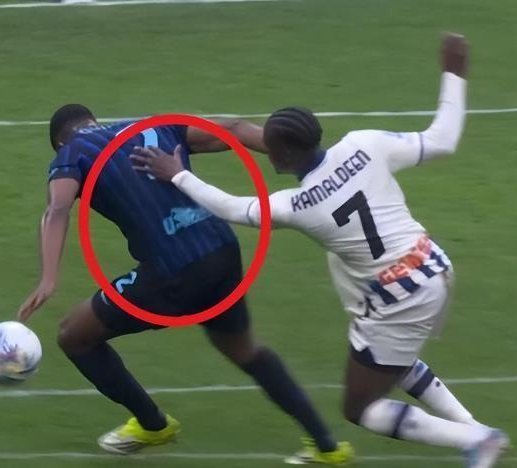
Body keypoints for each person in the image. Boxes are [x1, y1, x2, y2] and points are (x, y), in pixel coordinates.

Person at [131, 33, 510, 467]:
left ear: (283, 153)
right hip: (433, 267)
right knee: (393, 363)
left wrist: (177, 174)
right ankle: (473, 428)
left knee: (361, 407)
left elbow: (233, 208)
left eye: (271, 147)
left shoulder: (299, 206)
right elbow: (442, 140)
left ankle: (477, 438)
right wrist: (454, 73)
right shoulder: (366, 143)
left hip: (398, 298)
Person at [17, 106, 353, 463]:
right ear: (93, 121)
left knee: (74, 335)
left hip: (171, 270)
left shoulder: (71, 154)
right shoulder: (150, 126)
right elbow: (234, 127)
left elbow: (57, 208)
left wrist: (48, 277)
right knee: (244, 349)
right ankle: (327, 447)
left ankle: (153, 425)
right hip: (221, 251)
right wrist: (314, 167)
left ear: (59, 142)